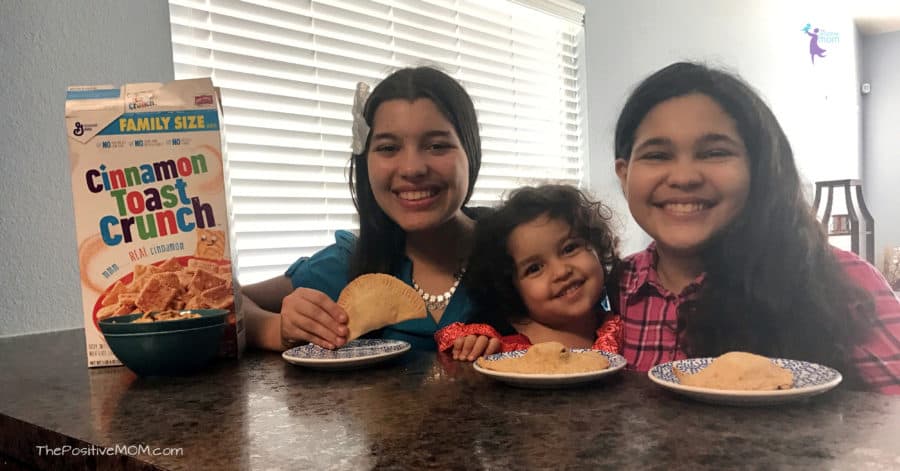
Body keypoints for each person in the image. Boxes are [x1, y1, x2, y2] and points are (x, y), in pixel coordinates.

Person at [611, 61, 900, 393]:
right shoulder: (606, 291)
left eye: (715, 152)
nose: (684, 177)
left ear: (757, 169)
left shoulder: (845, 282)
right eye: (658, 155)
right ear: (624, 176)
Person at [242, 66, 489, 351]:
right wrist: (277, 329)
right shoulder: (350, 262)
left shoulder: (521, 248)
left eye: (436, 146)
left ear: (470, 152)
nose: (412, 168)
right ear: (364, 162)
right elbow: (230, 304)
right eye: (388, 148)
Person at [433, 184, 623, 361]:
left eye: (569, 248)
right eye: (534, 268)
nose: (561, 272)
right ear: (511, 287)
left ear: (596, 245)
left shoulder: (622, 325)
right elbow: (452, 344)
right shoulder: (499, 341)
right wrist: (472, 344)